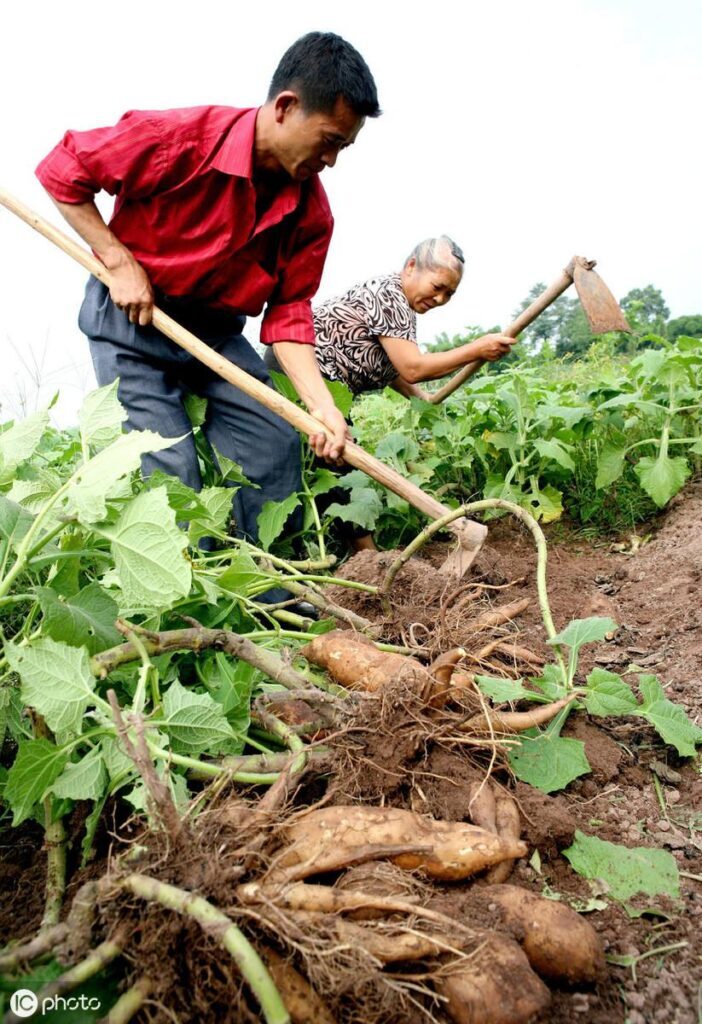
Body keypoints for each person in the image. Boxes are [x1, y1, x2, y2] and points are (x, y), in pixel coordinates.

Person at [35, 32, 380, 607]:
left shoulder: (311, 211)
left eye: (342, 148)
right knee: (168, 465)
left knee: (272, 439)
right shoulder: (177, 140)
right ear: (286, 107)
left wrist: (320, 407)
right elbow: (61, 170)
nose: (331, 161)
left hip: (215, 335)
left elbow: (289, 316)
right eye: (329, 141)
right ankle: (181, 598)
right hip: (133, 321)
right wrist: (117, 260)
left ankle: (257, 585)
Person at [265, 236, 516, 550]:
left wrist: (420, 397)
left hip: (326, 387)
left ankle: (342, 548)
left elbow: (392, 367)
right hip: (300, 374)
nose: (440, 299)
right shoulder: (390, 295)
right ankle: (364, 556)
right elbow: (413, 367)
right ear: (411, 267)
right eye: (437, 287)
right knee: (338, 460)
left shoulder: (402, 309)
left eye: (449, 294)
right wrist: (476, 348)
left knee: (329, 461)